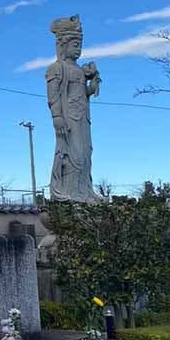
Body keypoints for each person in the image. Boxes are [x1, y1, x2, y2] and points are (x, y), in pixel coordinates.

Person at [47, 15, 102, 203]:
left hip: (82, 117)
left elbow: (85, 92)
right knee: (73, 153)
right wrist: (57, 116)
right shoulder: (56, 68)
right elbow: (53, 95)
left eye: (80, 45)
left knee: (86, 152)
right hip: (68, 116)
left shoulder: (79, 70)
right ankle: (69, 192)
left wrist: (94, 81)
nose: (78, 49)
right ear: (62, 45)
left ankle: (84, 190)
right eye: (74, 44)